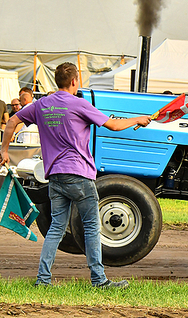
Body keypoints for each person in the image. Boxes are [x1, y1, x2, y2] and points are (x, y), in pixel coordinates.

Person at [0, 62, 152, 288]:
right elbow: (113, 126)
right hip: (79, 174)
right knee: (91, 226)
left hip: (55, 176)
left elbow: (12, 121)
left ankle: (43, 279)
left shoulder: (42, 105)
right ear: (74, 81)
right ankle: (99, 280)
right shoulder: (79, 104)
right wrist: (137, 120)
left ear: (56, 80)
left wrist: (3, 150)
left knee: (56, 228)